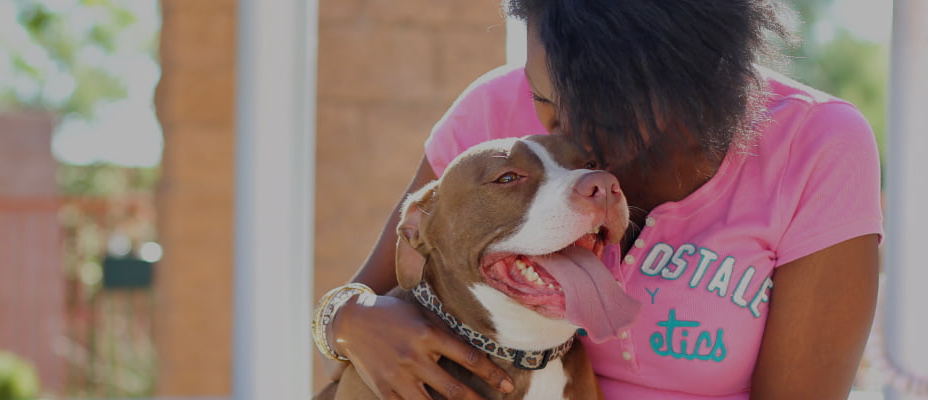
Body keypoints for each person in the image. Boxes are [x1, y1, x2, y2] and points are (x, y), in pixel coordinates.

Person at [314, 0, 882, 398]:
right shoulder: (492, 119)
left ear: (684, 71)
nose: (566, 129)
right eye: (543, 98)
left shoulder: (815, 146)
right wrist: (348, 319)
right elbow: (377, 285)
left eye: (597, 101)